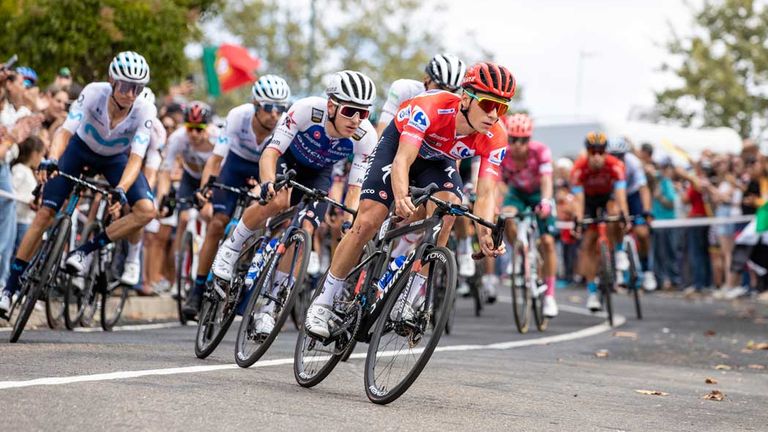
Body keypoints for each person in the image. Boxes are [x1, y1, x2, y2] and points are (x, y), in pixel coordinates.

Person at [304, 62, 515, 338]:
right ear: (465, 98)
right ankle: (324, 301)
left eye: (501, 108)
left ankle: (407, 299)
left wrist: (485, 231)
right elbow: (403, 160)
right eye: (488, 104)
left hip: (438, 160)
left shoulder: (496, 135)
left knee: (448, 213)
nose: (493, 115)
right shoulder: (431, 107)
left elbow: (486, 192)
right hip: (398, 147)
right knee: (368, 220)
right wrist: (402, 196)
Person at [207, 70, 379, 336]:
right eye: (349, 111)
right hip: (287, 159)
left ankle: (269, 307)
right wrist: (267, 183)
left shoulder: (365, 136)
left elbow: (354, 188)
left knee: (306, 229)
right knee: (279, 199)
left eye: (363, 113)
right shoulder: (306, 110)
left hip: (319, 173)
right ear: (331, 106)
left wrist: (348, 220)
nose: (356, 120)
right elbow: (270, 153)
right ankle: (231, 248)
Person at [0, 51, 158, 318]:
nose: (131, 94)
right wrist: (52, 159)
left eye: (138, 88)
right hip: (80, 150)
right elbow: (65, 131)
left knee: (146, 210)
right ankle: (9, 289)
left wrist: (121, 189)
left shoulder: (145, 109)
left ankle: (84, 252)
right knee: (45, 213)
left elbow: (136, 158)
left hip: (114, 160)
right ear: (112, 80)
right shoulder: (94, 93)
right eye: (125, 86)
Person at [181, 75, 292, 319]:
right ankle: (197, 290)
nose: (275, 114)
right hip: (235, 165)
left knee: (259, 219)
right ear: (255, 104)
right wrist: (205, 189)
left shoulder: (285, 123)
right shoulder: (237, 116)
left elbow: (279, 166)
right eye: (268, 107)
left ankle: (245, 279)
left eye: (280, 108)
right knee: (217, 224)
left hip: (265, 169)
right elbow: (215, 160)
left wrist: (264, 188)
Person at [499, 113, 558, 317]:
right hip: (517, 194)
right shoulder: (503, 153)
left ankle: (549, 296)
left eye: (523, 140)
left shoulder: (540, 151)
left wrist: (546, 201)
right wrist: (499, 203)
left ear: (529, 139)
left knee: (548, 242)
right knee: (505, 216)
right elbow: (499, 183)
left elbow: (547, 179)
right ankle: (519, 252)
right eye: (513, 139)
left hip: (538, 193)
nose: (518, 145)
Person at [571, 132, 630, 311]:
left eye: (601, 151)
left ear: (606, 152)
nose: (596, 156)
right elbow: (578, 200)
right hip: (588, 200)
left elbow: (620, 195)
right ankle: (592, 292)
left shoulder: (616, 165)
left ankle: (619, 252)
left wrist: (624, 216)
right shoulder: (578, 168)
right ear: (587, 152)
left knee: (616, 213)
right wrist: (578, 220)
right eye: (592, 152)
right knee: (588, 243)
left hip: (607, 197)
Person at [155, 101, 217, 268]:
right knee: (183, 219)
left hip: (213, 180)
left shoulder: (217, 137)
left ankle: (209, 255)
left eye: (199, 129)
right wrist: (162, 199)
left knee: (208, 214)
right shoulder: (178, 138)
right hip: (190, 179)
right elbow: (165, 172)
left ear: (208, 127)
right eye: (190, 128)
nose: (194, 134)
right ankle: (180, 267)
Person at [606, 137, 655, 290]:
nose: (617, 159)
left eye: (620, 156)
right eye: (613, 156)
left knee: (642, 234)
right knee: (615, 217)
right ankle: (619, 253)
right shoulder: (605, 165)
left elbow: (644, 189)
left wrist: (647, 210)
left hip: (632, 195)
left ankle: (647, 271)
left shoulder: (633, 162)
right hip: (614, 195)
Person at [11, 136, 45, 252]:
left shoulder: (29, 172)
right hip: (19, 220)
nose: (42, 159)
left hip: (27, 221)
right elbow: (12, 191)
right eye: (41, 155)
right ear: (34, 154)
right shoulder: (19, 169)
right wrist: (28, 200)